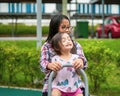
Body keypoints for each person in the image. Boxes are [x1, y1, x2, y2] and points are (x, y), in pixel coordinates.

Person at [40, 14, 87, 96]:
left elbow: (83, 61)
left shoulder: (75, 45)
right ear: (55, 29)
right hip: (54, 85)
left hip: (74, 85)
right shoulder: (47, 46)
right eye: (63, 27)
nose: (67, 30)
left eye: (68, 27)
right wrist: (49, 65)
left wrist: (81, 61)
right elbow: (43, 63)